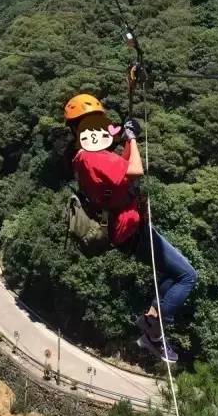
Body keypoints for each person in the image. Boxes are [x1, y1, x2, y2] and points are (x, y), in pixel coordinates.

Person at [64, 93, 197, 363]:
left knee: (174, 273)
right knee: (187, 276)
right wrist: (133, 138)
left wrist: (126, 140)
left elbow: (122, 169)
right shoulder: (92, 158)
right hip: (131, 231)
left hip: (128, 230)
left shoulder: (87, 156)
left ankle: (151, 319)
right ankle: (154, 335)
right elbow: (135, 170)